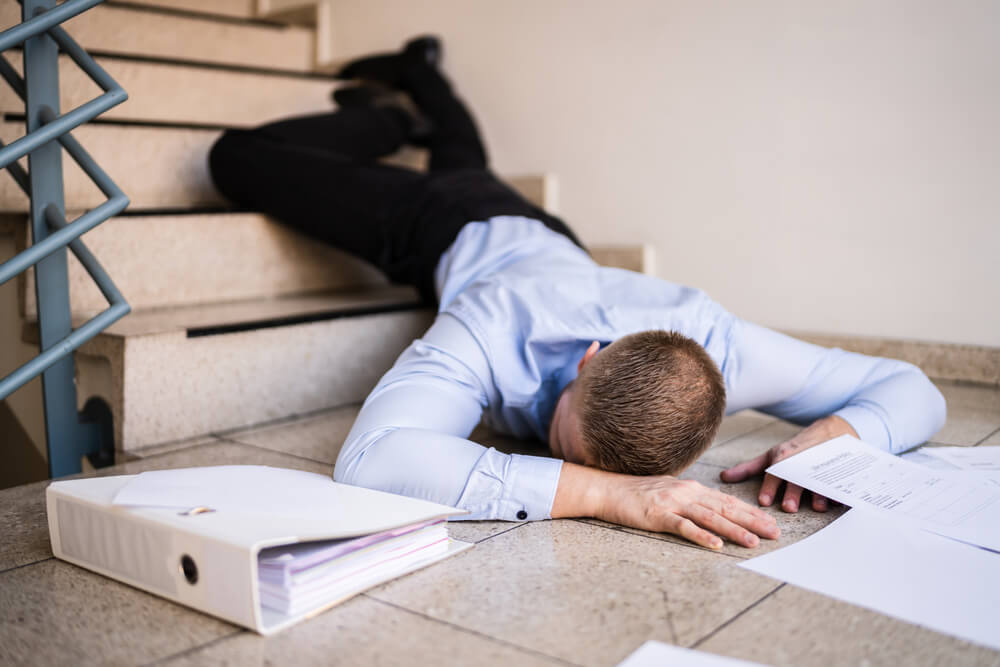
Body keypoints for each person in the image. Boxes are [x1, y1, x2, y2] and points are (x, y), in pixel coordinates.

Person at [208, 37, 946, 551]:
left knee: (465, 158)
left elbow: (910, 387)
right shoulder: (489, 326)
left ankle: (421, 69)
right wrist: (605, 495)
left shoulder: (718, 344)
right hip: (443, 228)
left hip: (546, 234)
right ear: (589, 359)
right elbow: (371, 459)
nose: (571, 462)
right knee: (237, 158)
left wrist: (846, 433)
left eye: (595, 467)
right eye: (569, 442)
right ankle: (388, 118)